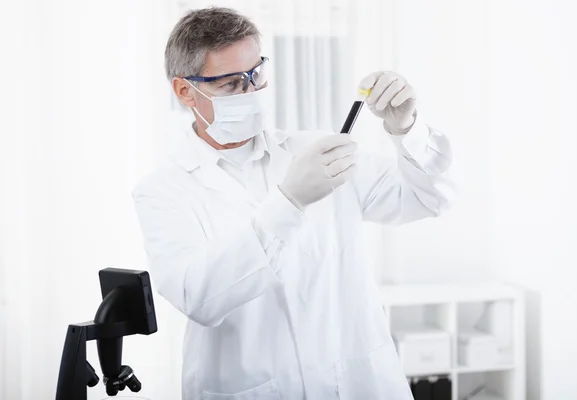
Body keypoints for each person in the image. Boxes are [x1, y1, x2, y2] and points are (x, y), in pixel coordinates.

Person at [132, 6, 453, 400]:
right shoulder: (163, 191)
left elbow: (428, 198)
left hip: (357, 384)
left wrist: (406, 129)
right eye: (232, 84)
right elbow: (198, 297)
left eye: (256, 75)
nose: (251, 94)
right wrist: (289, 201)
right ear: (185, 92)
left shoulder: (317, 152)